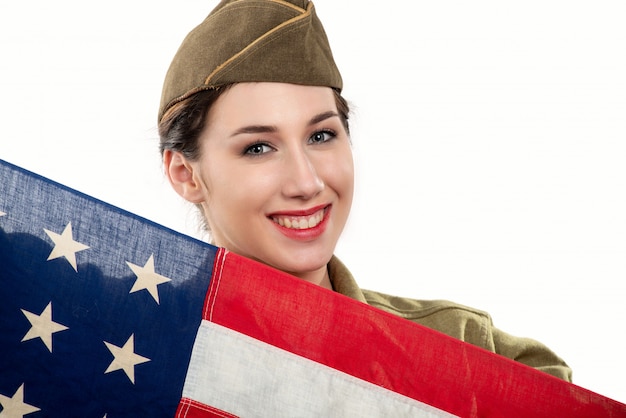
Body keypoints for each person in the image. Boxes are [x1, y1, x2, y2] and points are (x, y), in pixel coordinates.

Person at [158, 0, 571, 381]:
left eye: (321, 136)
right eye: (258, 148)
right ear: (185, 174)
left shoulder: (465, 354)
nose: (307, 183)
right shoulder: (127, 342)